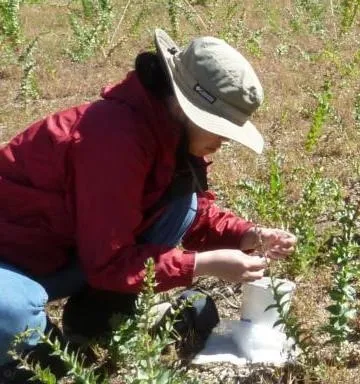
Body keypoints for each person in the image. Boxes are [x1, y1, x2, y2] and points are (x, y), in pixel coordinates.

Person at [0, 28, 296, 382]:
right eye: (221, 127)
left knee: (181, 205)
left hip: (68, 250)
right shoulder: (115, 139)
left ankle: (98, 318)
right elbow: (108, 261)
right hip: (13, 259)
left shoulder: (168, 132)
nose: (225, 140)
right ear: (186, 105)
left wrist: (247, 234)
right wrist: (202, 264)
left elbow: (195, 212)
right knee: (16, 321)